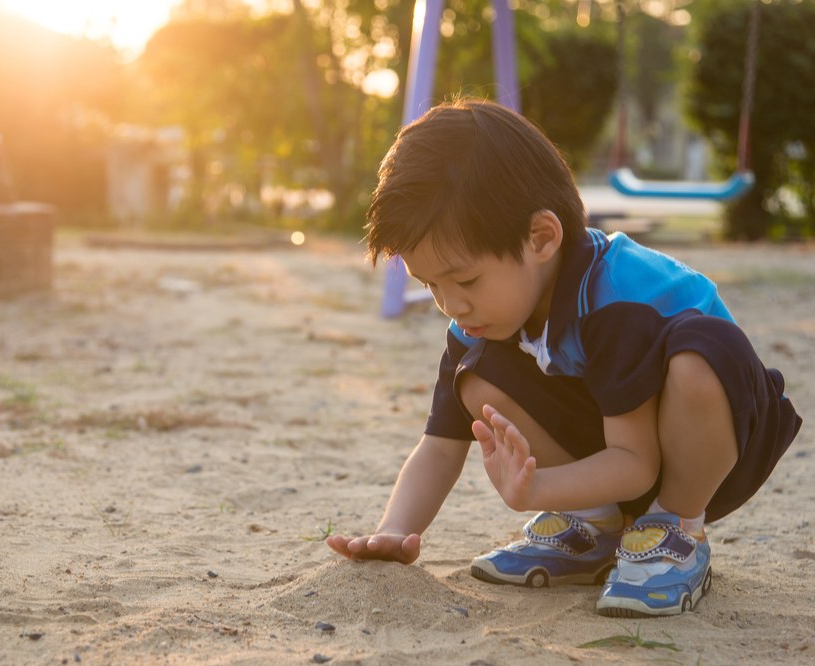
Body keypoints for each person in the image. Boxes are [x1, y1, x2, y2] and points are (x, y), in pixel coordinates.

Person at [325, 97, 802, 618]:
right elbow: (439, 447)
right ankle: (594, 527)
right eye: (429, 284)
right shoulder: (481, 317)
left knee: (696, 360)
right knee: (477, 377)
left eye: (464, 280)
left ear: (542, 238)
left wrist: (537, 490)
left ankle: (675, 530)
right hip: (616, 439)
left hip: (715, 443)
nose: (450, 305)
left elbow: (636, 464)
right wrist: (395, 532)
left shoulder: (616, 296)